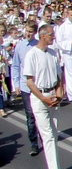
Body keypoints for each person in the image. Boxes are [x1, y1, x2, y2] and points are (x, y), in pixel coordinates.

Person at [23, 24, 66, 169]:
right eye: (51, 34)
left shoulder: (53, 53)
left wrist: (60, 92)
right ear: (42, 36)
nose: (53, 37)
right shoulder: (32, 54)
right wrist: (43, 98)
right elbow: (30, 81)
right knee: (47, 135)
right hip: (39, 97)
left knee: (54, 133)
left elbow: (59, 76)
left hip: (53, 95)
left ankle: (57, 168)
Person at [11, 21, 40, 155]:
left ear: (35, 33)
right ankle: (33, 143)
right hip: (25, 86)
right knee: (30, 115)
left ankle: (44, 138)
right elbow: (16, 66)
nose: (28, 34)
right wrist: (16, 84)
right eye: (27, 31)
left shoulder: (38, 45)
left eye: (31, 31)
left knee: (40, 114)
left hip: (38, 85)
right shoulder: (20, 46)